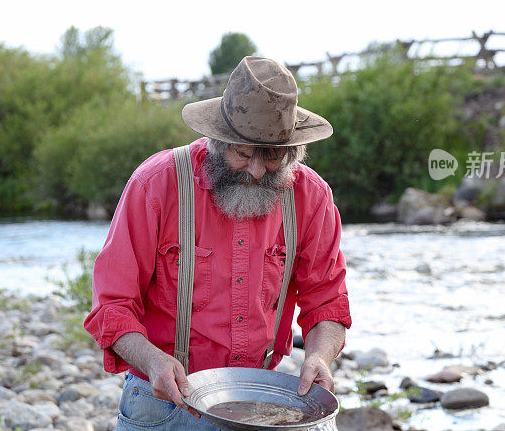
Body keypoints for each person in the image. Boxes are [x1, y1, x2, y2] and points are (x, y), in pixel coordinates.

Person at [84, 56, 352, 430]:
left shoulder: (312, 197)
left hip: (259, 399)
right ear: (217, 138)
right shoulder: (156, 184)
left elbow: (327, 302)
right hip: (164, 400)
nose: (257, 171)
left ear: (293, 150)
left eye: (273, 157)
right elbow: (111, 306)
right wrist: (152, 361)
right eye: (243, 153)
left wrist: (321, 357)